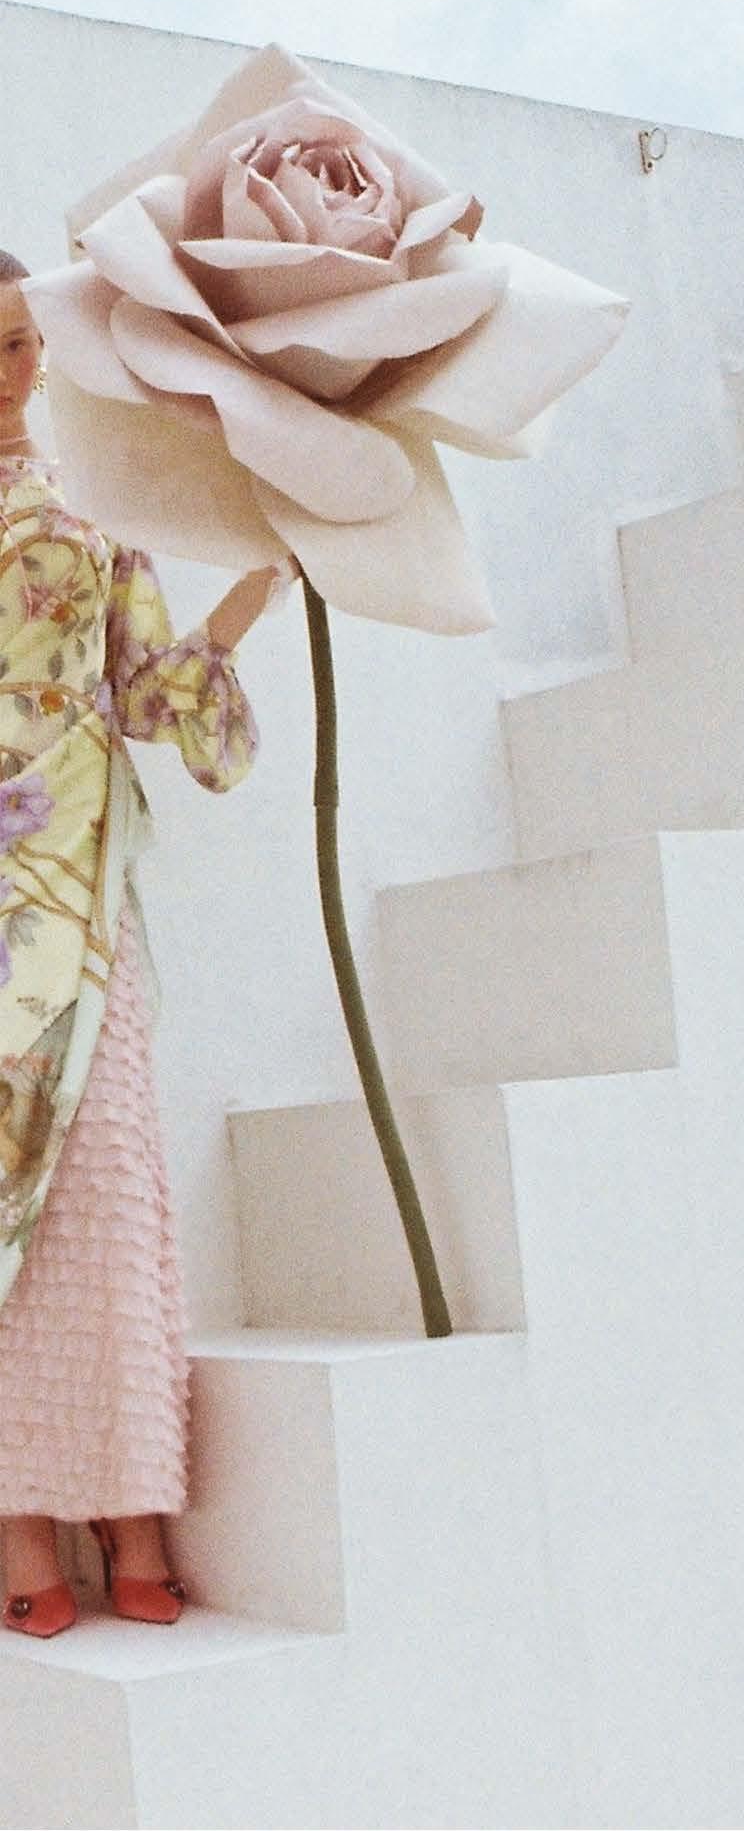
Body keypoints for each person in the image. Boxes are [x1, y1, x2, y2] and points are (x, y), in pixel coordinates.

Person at [0, 250, 286, 1636]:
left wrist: (255, 589)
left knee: (105, 1184)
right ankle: (21, 1533)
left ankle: (132, 1512)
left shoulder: (93, 502)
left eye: (18, 341)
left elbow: (149, 692)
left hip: (74, 884)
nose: (7, 369)